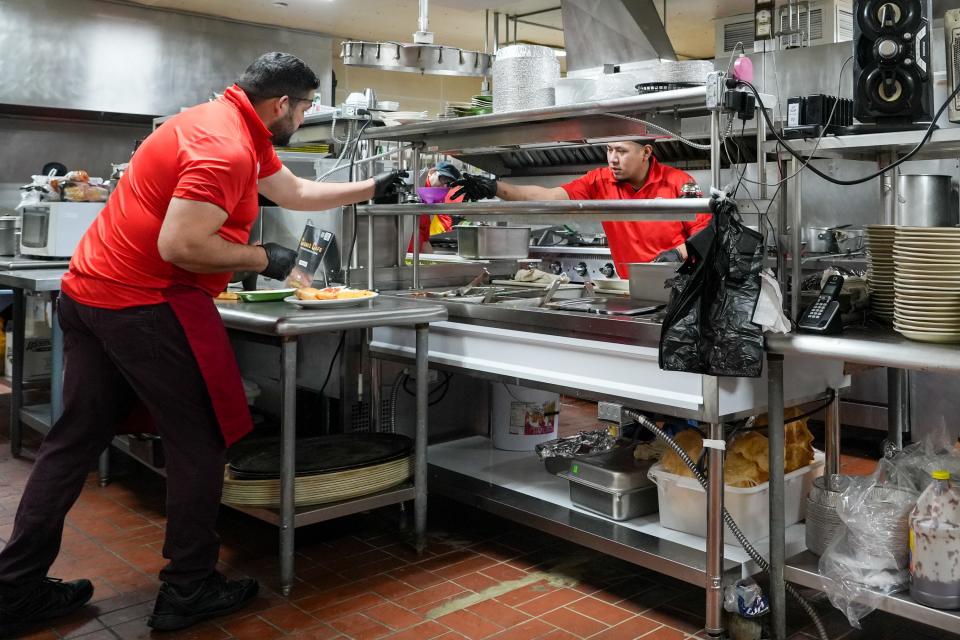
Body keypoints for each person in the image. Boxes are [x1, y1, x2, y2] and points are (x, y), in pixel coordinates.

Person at [0, 52, 405, 637]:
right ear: (280, 105)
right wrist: (270, 258)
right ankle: (189, 587)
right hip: (146, 301)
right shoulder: (224, 145)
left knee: (74, 438)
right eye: (307, 106)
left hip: (91, 294)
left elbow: (290, 191)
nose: (307, 115)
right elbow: (183, 245)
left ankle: (15, 589)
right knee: (201, 439)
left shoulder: (224, 121)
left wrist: (371, 186)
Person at [450, 140, 711, 277]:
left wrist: (676, 255)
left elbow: (705, 235)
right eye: (608, 150)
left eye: (621, 151)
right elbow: (549, 197)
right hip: (627, 287)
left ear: (646, 152)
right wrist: (495, 188)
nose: (613, 159)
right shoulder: (599, 179)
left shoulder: (679, 182)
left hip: (677, 283)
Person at [409, 161, 462, 254]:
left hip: (414, 256)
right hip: (403, 255)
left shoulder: (432, 200)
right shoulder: (414, 189)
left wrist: (432, 261)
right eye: (443, 179)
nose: (444, 185)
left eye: (449, 183)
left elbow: (424, 239)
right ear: (432, 172)